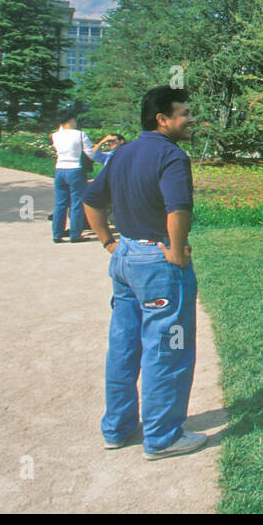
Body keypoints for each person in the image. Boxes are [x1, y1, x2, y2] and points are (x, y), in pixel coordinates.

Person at [82, 86, 204, 459]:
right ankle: (162, 437)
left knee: (124, 346)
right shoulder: (172, 155)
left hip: (125, 258)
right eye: (183, 113)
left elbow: (91, 200)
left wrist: (109, 243)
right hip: (158, 263)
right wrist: (177, 250)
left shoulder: (120, 154)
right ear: (162, 120)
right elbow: (178, 208)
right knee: (169, 348)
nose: (190, 118)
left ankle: (117, 429)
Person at [51, 107, 96, 244]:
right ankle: (75, 234)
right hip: (76, 170)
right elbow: (90, 154)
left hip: (59, 170)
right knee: (77, 203)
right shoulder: (81, 135)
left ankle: (57, 234)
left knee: (60, 204)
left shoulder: (55, 135)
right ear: (71, 120)